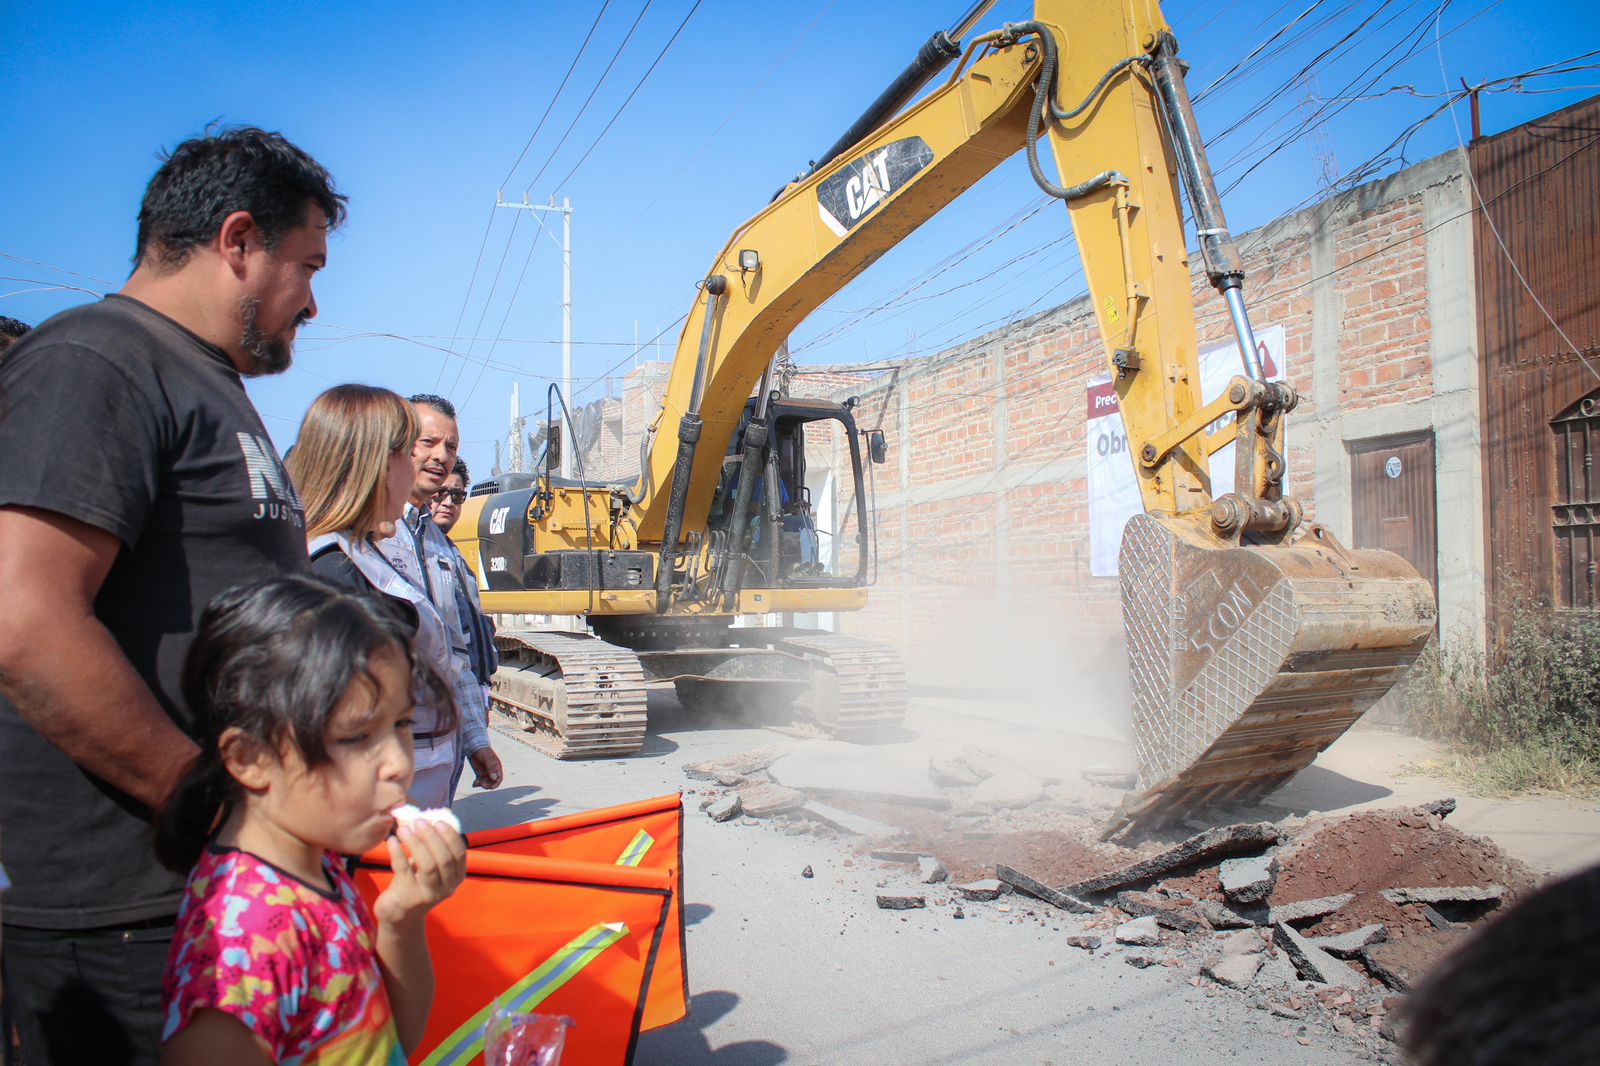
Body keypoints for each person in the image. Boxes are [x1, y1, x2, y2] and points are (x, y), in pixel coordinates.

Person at [0, 126, 343, 1065]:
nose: (312, 301)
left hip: (210, 883)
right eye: (306, 265)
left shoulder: (204, 380)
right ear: (238, 241)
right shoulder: (98, 363)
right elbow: (24, 621)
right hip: (125, 907)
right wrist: (216, 807)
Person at [154, 575, 466, 1063]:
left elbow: (396, 1038)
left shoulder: (316, 867)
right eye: (356, 736)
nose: (400, 764)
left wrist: (401, 918)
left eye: (401, 724)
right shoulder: (241, 954)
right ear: (251, 758)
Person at [285, 384, 481, 811]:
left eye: (449, 446)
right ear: (370, 463)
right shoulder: (335, 574)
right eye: (409, 451)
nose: (432, 463)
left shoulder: (374, 554)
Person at [389, 394, 502, 801]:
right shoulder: (371, 534)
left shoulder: (440, 547)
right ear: (397, 443)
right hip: (384, 763)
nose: (442, 456)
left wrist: (475, 741)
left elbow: (457, 658)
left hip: (437, 758)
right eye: (429, 442)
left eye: (450, 447)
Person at [430, 458, 501, 797]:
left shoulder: (451, 555)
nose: (447, 503)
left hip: (468, 694)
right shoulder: (412, 551)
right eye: (439, 493)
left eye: (457, 496)